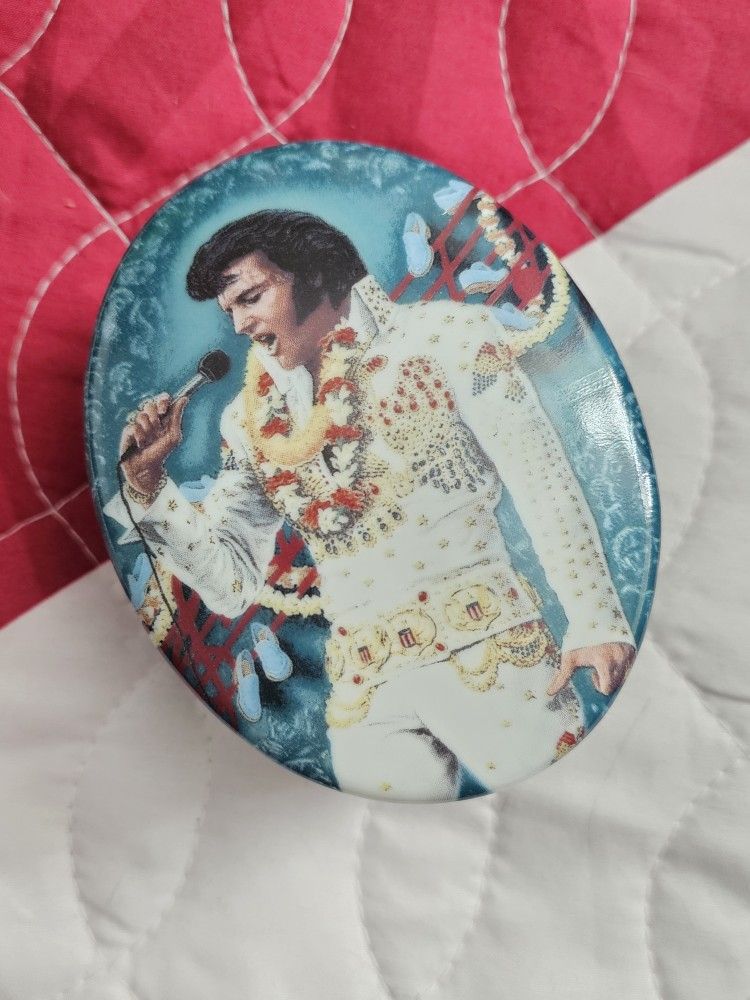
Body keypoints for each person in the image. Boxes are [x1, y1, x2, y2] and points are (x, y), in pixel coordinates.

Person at [105, 209, 635, 800]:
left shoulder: (446, 336)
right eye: (229, 310)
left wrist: (595, 619)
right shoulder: (247, 422)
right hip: (363, 693)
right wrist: (148, 485)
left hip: (492, 655)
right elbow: (231, 585)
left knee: (560, 814)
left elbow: (539, 476)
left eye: (251, 297)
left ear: (314, 274)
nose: (240, 325)